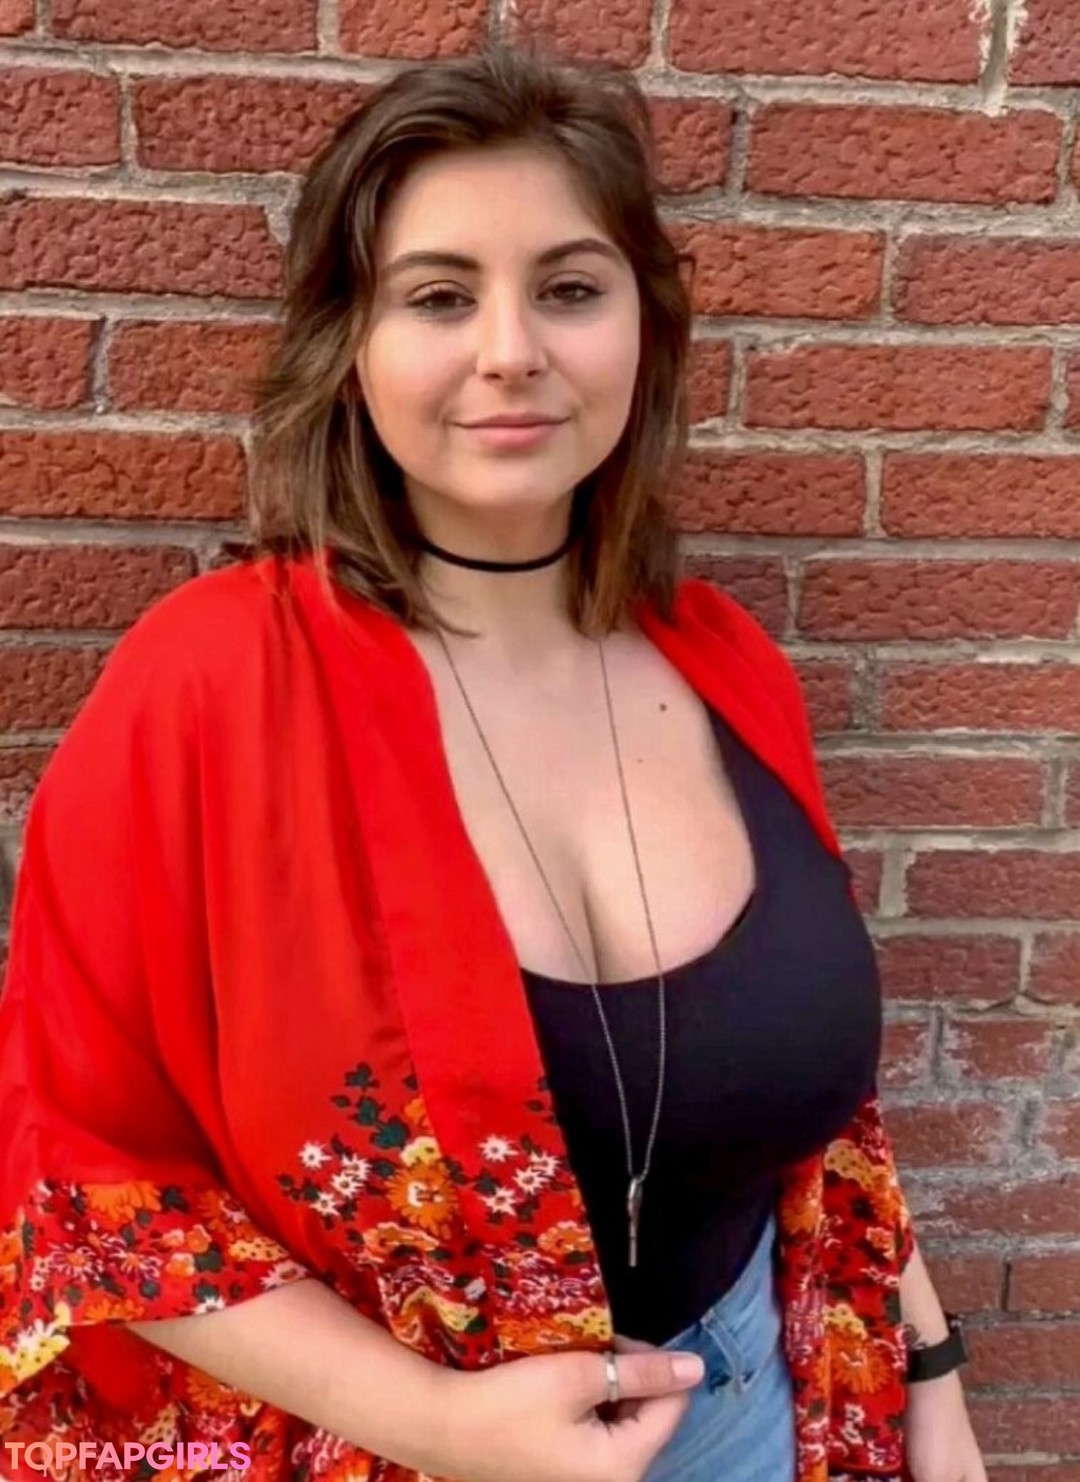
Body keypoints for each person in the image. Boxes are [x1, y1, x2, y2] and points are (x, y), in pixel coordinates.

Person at [0, 43, 987, 1482]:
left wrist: (933, 1375)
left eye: (570, 289)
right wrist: (445, 1428)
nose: (512, 349)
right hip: (374, 1446)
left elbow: (823, 1108)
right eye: (439, 296)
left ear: (642, 328)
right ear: (350, 342)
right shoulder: (206, 688)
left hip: (755, 1406)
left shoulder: (729, 665)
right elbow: (81, 1164)